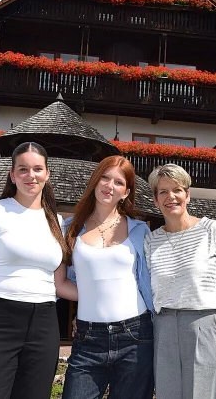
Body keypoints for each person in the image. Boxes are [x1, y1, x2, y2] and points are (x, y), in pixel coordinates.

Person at [0, 142, 71, 399]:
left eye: (37, 169)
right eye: (23, 169)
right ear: (12, 175)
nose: (30, 175)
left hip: (44, 323)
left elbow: (60, 284)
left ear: (47, 174)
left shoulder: (57, 222)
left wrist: (105, 295)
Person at [145, 163, 216, 399]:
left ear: (188, 195)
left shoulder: (211, 229)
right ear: (155, 199)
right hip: (163, 327)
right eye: (163, 192)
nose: (170, 197)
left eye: (177, 190)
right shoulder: (150, 241)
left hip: (207, 322)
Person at [60, 155, 154, 399]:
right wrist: (94, 298)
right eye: (105, 177)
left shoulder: (139, 230)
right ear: (95, 181)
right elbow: (60, 284)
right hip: (88, 337)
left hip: (136, 335)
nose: (109, 186)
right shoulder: (69, 229)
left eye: (118, 182)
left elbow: (151, 280)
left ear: (126, 192)